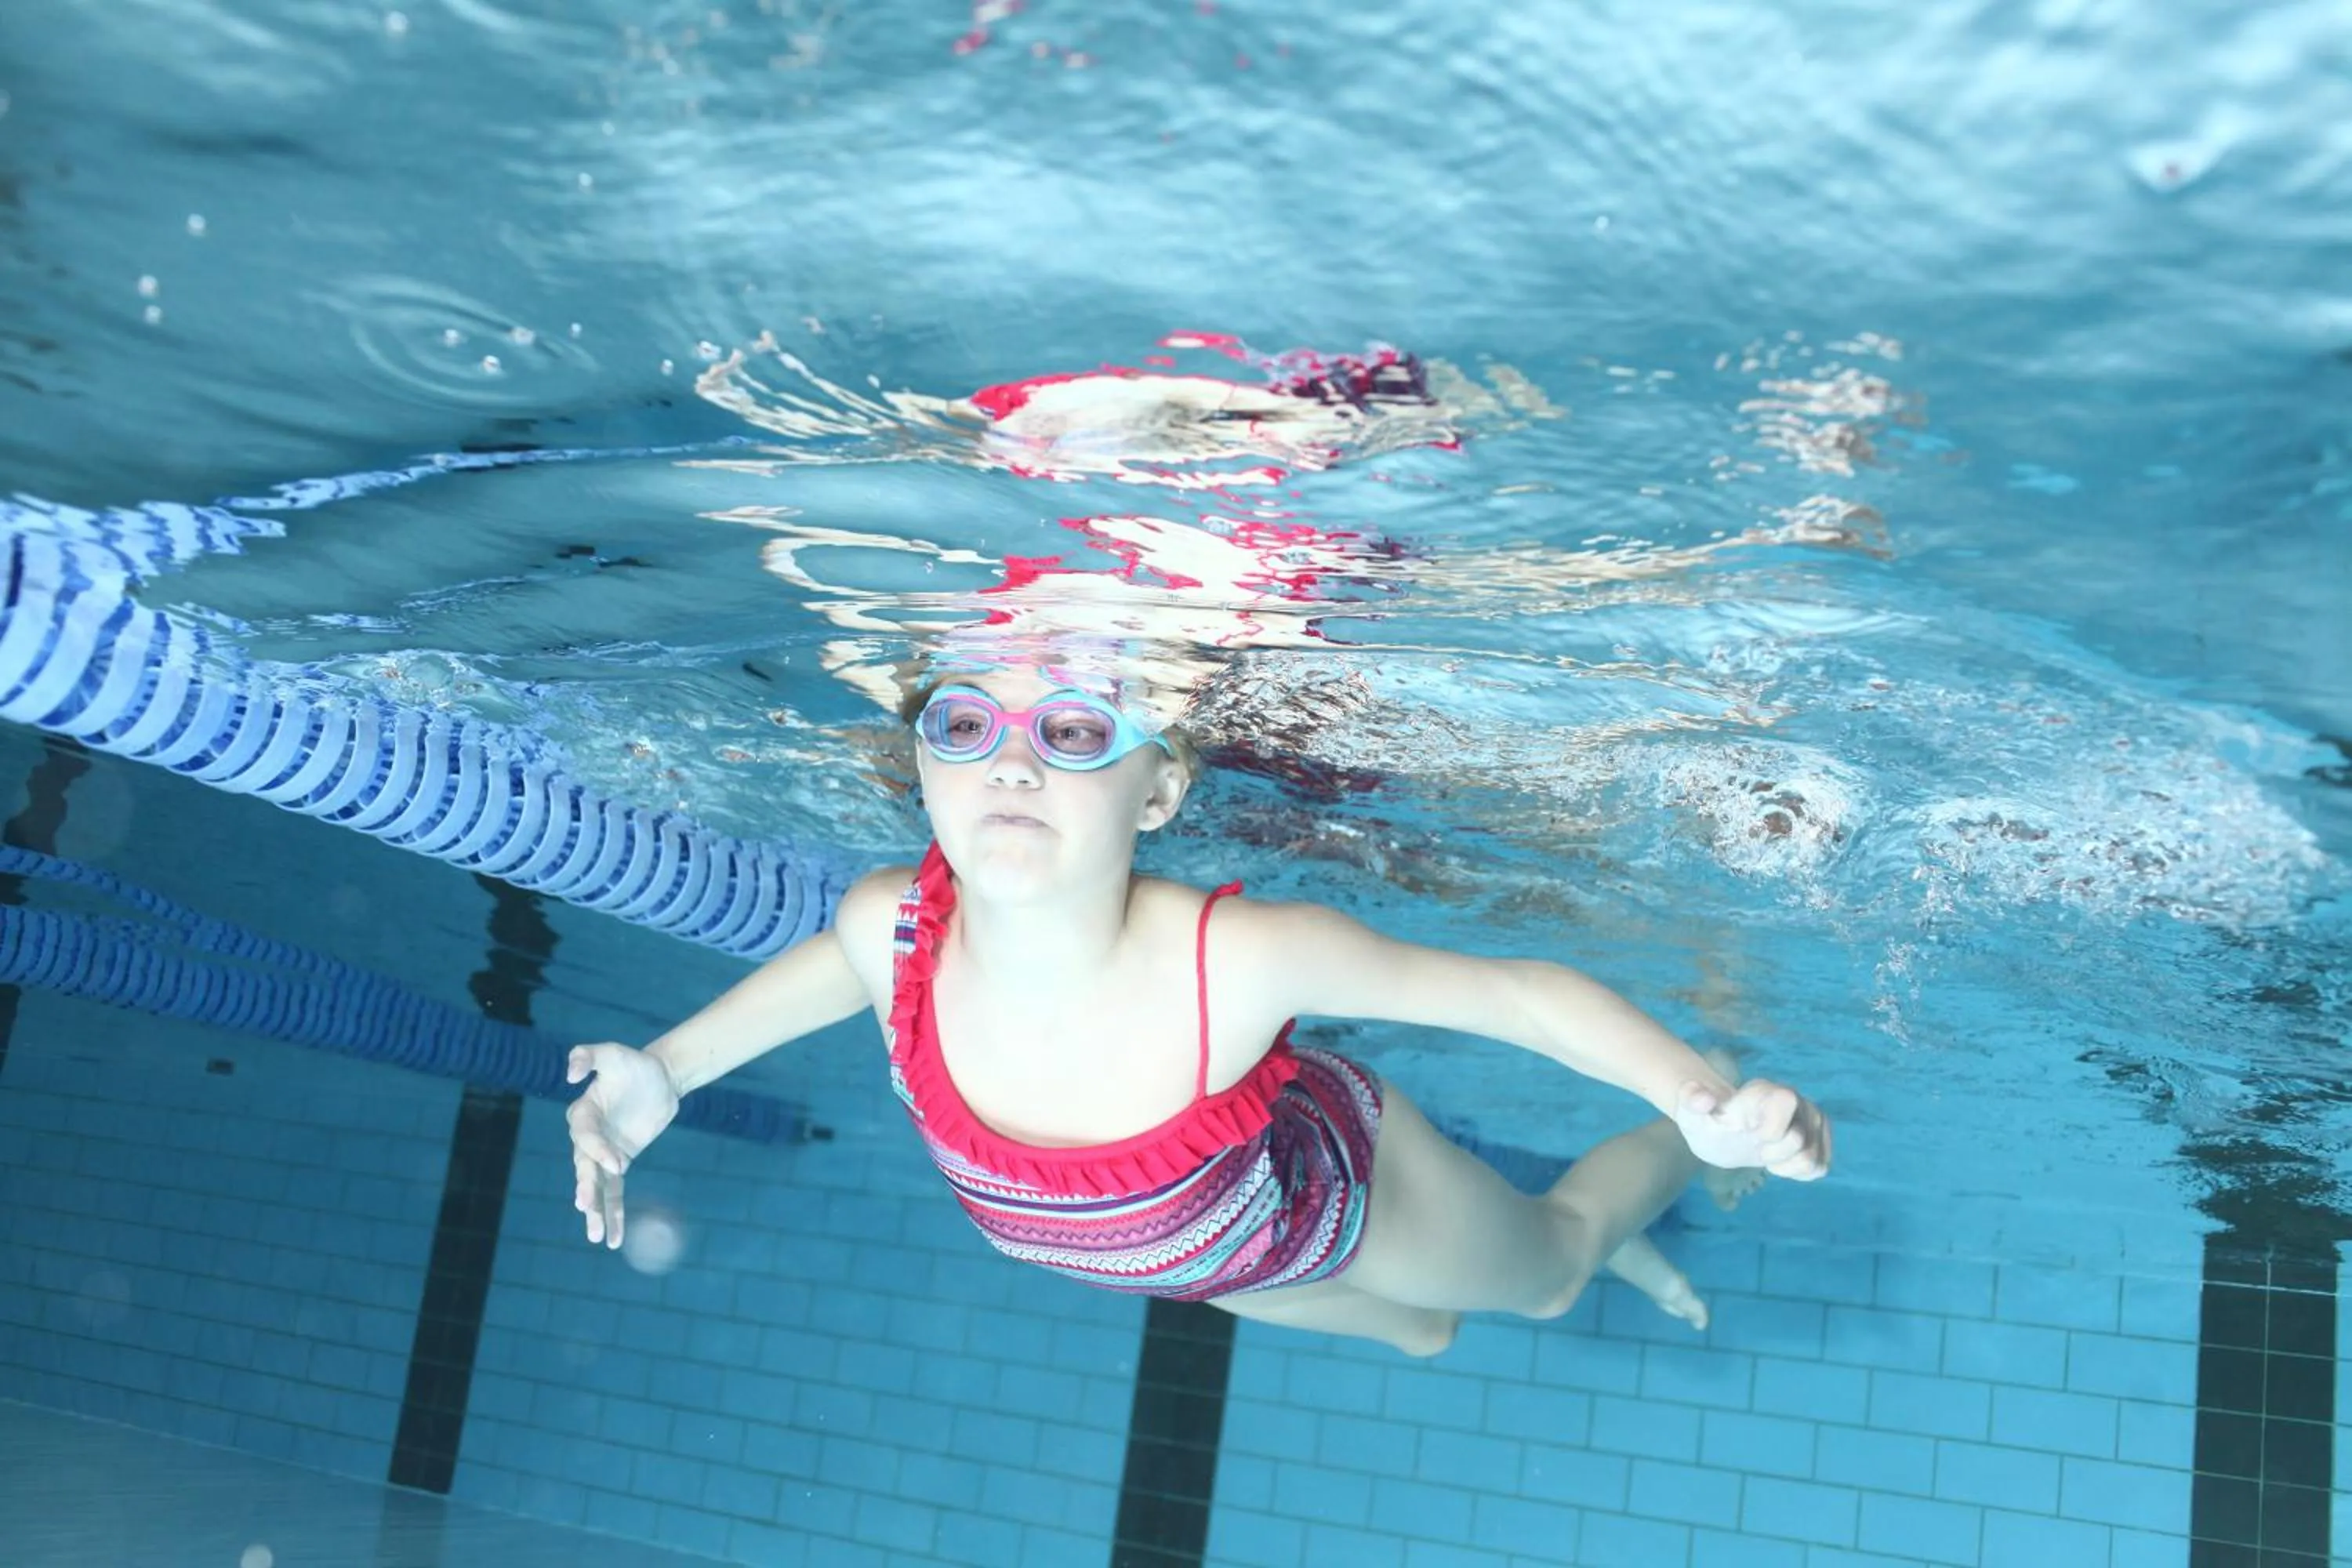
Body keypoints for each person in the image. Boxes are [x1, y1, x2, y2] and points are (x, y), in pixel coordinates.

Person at [564, 662, 1831, 1356]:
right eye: (967, 719)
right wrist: (667, 1073)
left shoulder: (1233, 967)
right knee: (1430, 1338)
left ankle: (1663, 1168)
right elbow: (839, 971)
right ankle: (1468, 1288)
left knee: (1550, 1276)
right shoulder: (887, 926)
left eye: (1071, 727)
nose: (1011, 756)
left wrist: (1691, 1097)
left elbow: (1513, 996)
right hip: (1206, 1263)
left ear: (1159, 794)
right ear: (924, 765)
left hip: (1330, 1206)